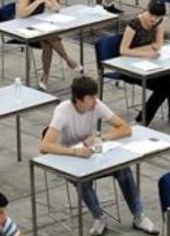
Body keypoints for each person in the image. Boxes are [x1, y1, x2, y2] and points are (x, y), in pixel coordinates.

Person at [39, 75, 159, 236]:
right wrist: (75, 152)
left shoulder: (96, 105)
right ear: (79, 100)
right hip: (69, 159)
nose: (95, 101)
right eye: (91, 98)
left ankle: (139, 216)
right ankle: (99, 217)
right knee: (83, 180)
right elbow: (45, 146)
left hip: (91, 154)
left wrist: (101, 138)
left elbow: (125, 128)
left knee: (123, 168)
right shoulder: (63, 111)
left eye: (95, 97)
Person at [15, 0, 82, 91]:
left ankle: (46, 76)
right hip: (23, 27)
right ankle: (67, 59)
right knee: (48, 37)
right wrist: (37, 1)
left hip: (38, 26)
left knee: (47, 40)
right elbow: (21, 14)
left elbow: (57, 8)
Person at [120, 0, 170, 124]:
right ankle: (141, 120)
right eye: (151, 15)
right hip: (131, 67)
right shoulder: (134, 24)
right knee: (163, 89)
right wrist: (147, 51)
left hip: (149, 63)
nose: (153, 19)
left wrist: (146, 50)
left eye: (157, 17)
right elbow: (123, 51)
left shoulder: (158, 23)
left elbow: (159, 44)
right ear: (147, 10)